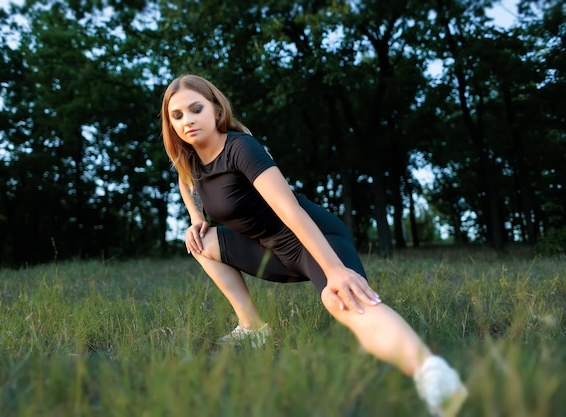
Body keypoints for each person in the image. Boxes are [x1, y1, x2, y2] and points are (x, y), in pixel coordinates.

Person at [161, 73, 468, 417]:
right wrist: (195, 219)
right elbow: (187, 184)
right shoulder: (189, 161)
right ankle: (252, 328)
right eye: (177, 115)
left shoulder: (241, 147)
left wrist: (335, 269)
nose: (187, 120)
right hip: (270, 251)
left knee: (346, 304)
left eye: (195, 109)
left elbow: (288, 208)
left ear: (216, 110)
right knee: (202, 242)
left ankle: (433, 374)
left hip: (314, 238)